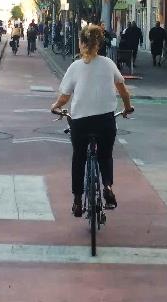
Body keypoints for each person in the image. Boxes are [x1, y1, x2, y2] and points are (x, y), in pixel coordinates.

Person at [51, 25, 134, 217]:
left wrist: (55, 106)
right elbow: (123, 90)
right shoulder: (108, 64)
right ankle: (107, 187)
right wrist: (127, 107)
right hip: (105, 120)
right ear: (99, 44)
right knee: (105, 156)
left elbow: (64, 97)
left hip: (80, 122)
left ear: (81, 43)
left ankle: (78, 201)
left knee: (79, 158)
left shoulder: (75, 66)